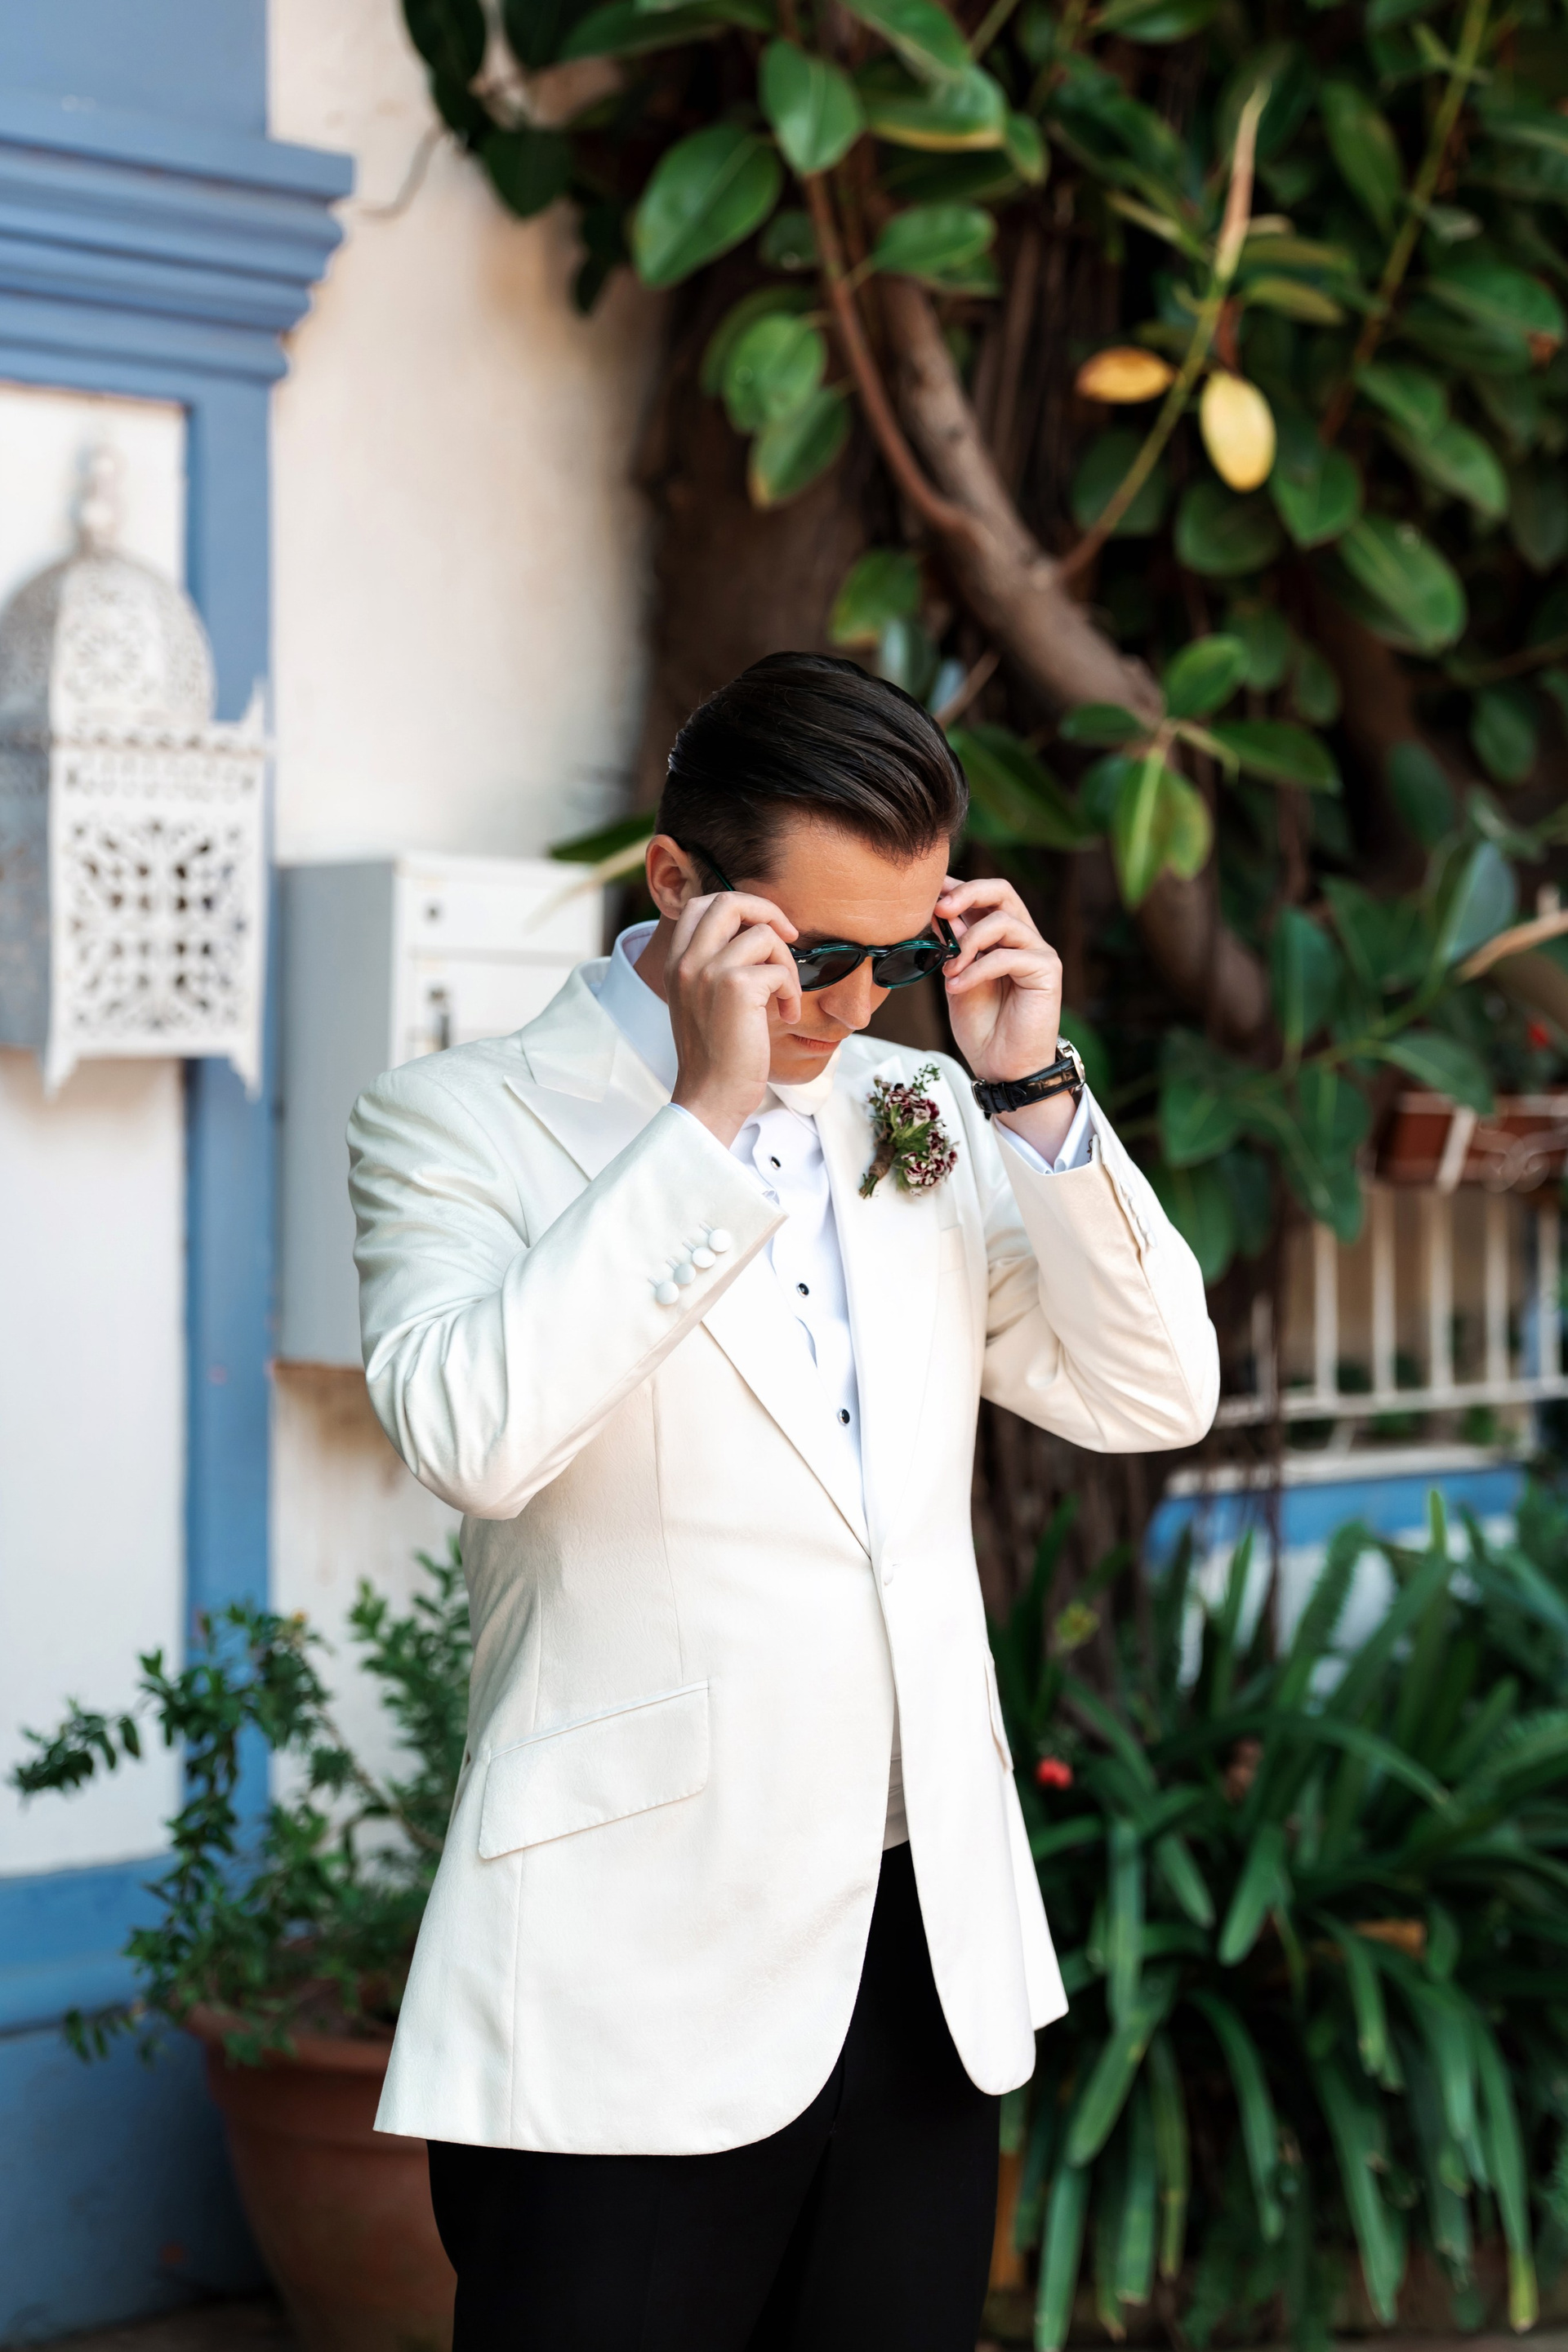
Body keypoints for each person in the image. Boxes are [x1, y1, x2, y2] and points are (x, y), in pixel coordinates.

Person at [347, 653, 1218, 2352]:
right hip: (629, 1963)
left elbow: (1148, 1393)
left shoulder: (922, 1108)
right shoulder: (460, 1122)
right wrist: (708, 1113)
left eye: (900, 957)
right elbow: (474, 1437)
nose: (857, 1006)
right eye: (816, 956)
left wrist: (1032, 1096)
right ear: (676, 884)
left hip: (920, 1945)